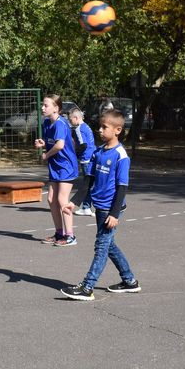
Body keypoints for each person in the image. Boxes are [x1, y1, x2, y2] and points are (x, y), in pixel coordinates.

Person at [59, 109, 140, 300]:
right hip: (100, 207)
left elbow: (122, 188)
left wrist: (114, 214)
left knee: (101, 246)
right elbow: (89, 181)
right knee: (109, 245)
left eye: (104, 127)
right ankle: (129, 281)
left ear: (117, 130)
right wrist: (74, 202)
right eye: (100, 127)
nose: (100, 130)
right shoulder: (98, 152)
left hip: (111, 209)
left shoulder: (121, 156)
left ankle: (87, 287)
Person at [34, 94, 80, 246]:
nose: (42, 108)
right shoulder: (47, 122)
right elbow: (51, 142)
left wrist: (46, 155)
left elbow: (60, 145)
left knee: (62, 200)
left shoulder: (60, 124)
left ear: (56, 108)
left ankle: (70, 236)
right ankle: (59, 233)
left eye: (46, 105)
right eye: (43, 105)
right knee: (51, 199)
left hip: (66, 166)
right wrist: (42, 144)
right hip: (55, 166)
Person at [69, 107, 96, 216]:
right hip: (92, 157)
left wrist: (74, 156)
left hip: (87, 159)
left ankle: (89, 207)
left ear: (76, 118)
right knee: (90, 184)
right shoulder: (87, 126)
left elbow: (83, 145)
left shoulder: (79, 129)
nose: (70, 122)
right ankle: (86, 207)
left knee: (88, 184)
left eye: (70, 119)